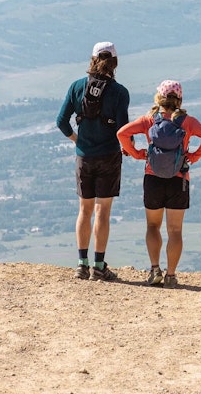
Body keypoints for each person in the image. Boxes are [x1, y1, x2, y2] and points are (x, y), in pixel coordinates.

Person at [117, 79, 201, 288]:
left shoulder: (149, 120)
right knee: (175, 230)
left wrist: (137, 154)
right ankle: (170, 275)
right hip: (178, 180)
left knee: (153, 226)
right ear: (179, 99)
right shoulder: (187, 122)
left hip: (152, 179)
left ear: (158, 98)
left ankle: (155, 270)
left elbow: (122, 133)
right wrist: (193, 157)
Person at [56, 41, 130, 281]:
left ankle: (81, 264)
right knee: (103, 211)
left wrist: (78, 140)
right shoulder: (120, 92)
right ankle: (99, 266)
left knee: (84, 210)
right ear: (115, 63)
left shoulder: (77, 86)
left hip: (84, 157)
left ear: (92, 60)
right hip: (108, 156)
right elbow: (122, 130)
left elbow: (61, 121)